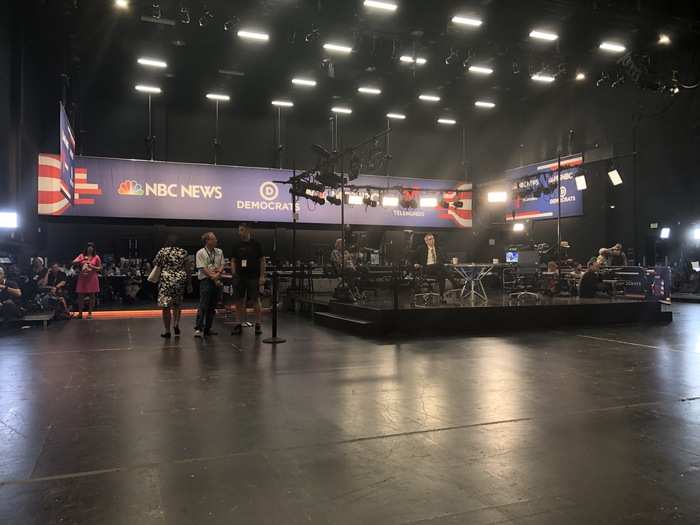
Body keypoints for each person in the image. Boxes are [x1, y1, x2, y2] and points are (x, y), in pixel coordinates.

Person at [231, 223, 265, 335]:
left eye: (241, 230)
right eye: (239, 230)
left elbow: (262, 261)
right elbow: (233, 260)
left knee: (256, 300)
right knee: (239, 301)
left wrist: (262, 276)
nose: (239, 232)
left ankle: (258, 324)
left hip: (253, 277)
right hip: (240, 277)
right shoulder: (236, 245)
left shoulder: (256, 244)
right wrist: (234, 273)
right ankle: (238, 324)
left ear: (247, 230)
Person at [153, 236, 190, 338]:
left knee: (166, 306)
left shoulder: (163, 251)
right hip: (179, 279)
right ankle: (176, 323)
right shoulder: (183, 252)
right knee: (177, 304)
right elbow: (188, 268)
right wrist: (189, 283)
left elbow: (155, 263)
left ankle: (167, 330)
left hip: (166, 280)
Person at [194, 232, 224, 338]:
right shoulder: (200, 253)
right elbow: (203, 268)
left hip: (217, 279)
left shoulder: (219, 251)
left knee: (212, 306)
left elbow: (221, 265)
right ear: (207, 241)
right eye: (214, 239)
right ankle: (198, 328)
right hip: (206, 281)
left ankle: (208, 328)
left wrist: (218, 274)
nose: (216, 240)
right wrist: (213, 277)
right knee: (203, 305)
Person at [413, 233, 448, 298]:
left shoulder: (438, 248)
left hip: (437, 269)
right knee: (441, 266)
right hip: (426, 268)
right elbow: (414, 258)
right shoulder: (421, 248)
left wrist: (450, 261)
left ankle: (441, 295)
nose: (432, 240)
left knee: (441, 274)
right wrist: (415, 263)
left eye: (433, 238)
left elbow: (444, 259)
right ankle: (455, 283)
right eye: (430, 239)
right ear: (426, 241)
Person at [72, 242, 102, 319]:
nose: (90, 248)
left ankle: (90, 313)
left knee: (92, 295)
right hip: (82, 278)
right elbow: (73, 262)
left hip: (92, 278)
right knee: (80, 296)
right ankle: (80, 313)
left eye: (91, 247)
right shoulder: (81, 255)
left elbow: (100, 268)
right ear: (86, 248)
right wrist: (81, 259)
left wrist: (92, 266)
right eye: (88, 247)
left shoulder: (96, 257)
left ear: (93, 249)